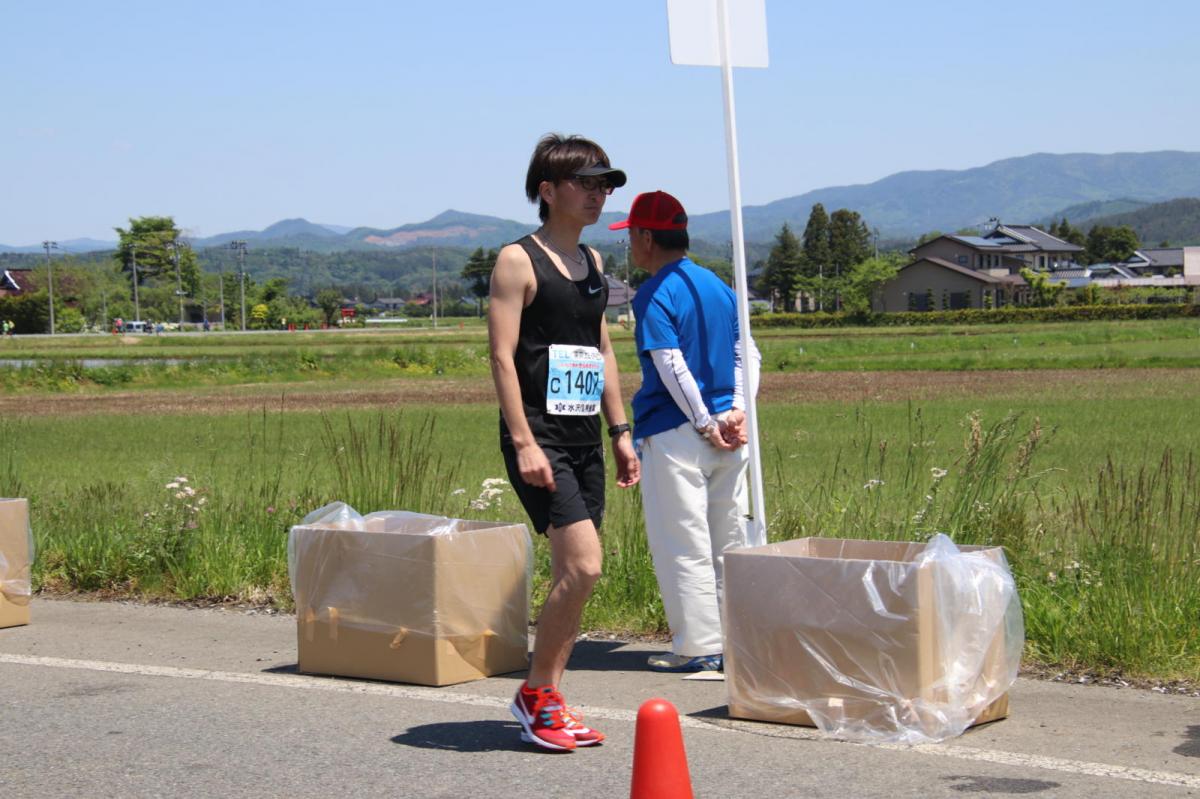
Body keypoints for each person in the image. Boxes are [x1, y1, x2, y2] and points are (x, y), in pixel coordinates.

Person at [489, 133, 640, 751]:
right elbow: (502, 356)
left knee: (574, 578)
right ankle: (535, 696)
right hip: (540, 437)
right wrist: (523, 441)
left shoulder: (594, 263)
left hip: (585, 438)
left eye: (605, 184)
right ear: (548, 191)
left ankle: (548, 696)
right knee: (584, 565)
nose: (598, 194)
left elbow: (601, 350)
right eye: (587, 183)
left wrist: (620, 431)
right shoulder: (517, 261)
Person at [609, 190, 760, 673]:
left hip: (677, 433)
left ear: (646, 237)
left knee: (683, 542)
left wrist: (704, 422)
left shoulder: (655, 292)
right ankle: (736, 642)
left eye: (631, 236)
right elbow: (748, 353)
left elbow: (669, 362)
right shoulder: (719, 287)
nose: (631, 245)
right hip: (732, 432)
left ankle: (698, 647)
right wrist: (738, 411)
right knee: (729, 541)